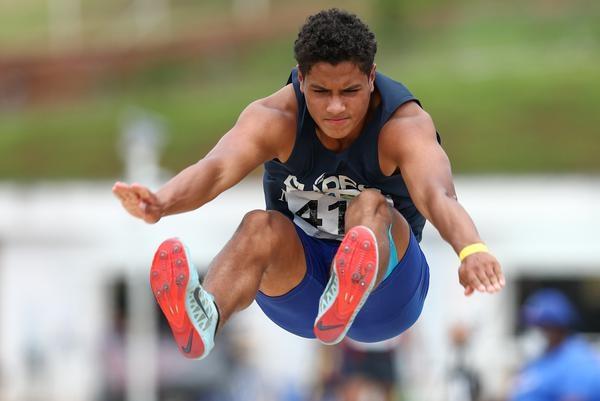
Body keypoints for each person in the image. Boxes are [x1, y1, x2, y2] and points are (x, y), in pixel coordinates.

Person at [112, 8, 505, 360]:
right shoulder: (274, 118)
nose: (336, 107)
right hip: (304, 295)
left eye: (350, 91)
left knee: (370, 203)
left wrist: (470, 248)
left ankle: (352, 281)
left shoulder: (402, 126)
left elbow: (438, 195)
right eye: (321, 92)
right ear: (301, 79)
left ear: (371, 77)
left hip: (389, 298)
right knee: (258, 226)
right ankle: (207, 315)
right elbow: (215, 169)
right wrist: (162, 202)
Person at [509, 289, 600, 401]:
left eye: (542, 326)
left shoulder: (578, 361)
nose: (535, 332)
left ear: (558, 327)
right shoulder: (541, 358)